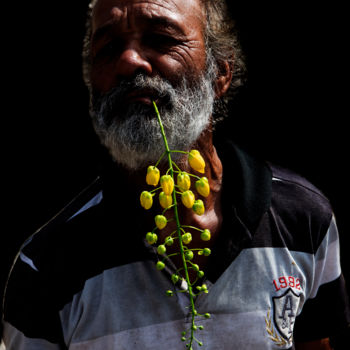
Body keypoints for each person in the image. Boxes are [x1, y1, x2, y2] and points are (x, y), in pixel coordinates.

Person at [1, 0, 349, 349]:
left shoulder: (304, 220)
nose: (128, 61)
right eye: (108, 47)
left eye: (161, 38)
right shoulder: (46, 267)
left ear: (220, 74)